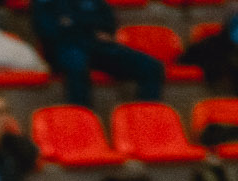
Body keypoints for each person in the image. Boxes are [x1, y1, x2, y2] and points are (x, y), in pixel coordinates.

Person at [30, 0, 164, 108]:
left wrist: (74, 23)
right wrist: (87, 26)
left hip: (97, 45)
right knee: (77, 67)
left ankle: (145, 122)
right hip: (65, 47)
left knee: (152, 67)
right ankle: (81, 125)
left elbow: (108, 22)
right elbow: (47, 30)